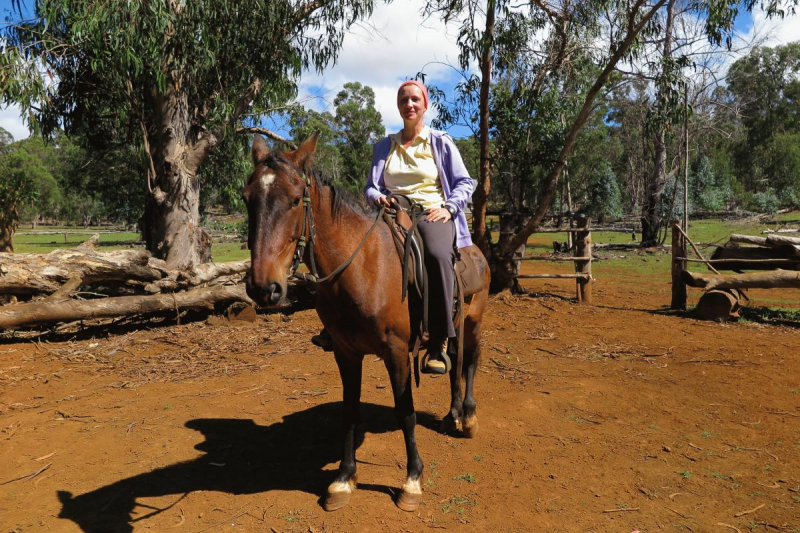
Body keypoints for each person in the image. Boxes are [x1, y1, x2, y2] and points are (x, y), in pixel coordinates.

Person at [363, 79, 474, 374]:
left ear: (425, 105)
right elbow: (370, 188)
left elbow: (465, 182)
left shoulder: (440, 142)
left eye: (415, 99)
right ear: (398, 107)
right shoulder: (384, 146)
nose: (409, 105)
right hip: (391, 214)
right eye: (403, 100)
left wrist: (450, 208)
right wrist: (379, 198)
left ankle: (438, 342)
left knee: (438, 255)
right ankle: (344, 327)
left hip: (430, 214)